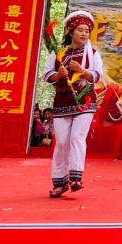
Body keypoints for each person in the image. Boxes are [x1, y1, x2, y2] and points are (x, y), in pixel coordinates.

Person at [43, 11, 104, 197]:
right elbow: (47, 75)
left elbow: (97, 75)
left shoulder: (93, 54)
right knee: (62, 142)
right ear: (71, 32)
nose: (84, 34)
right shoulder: (58, 53)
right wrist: (58, 75)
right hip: (62, 102)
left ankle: (76, 178)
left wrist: (82, 70)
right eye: (80, 30)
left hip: (85, 101)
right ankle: (60, 183)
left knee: (77, 137)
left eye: (87, 31)